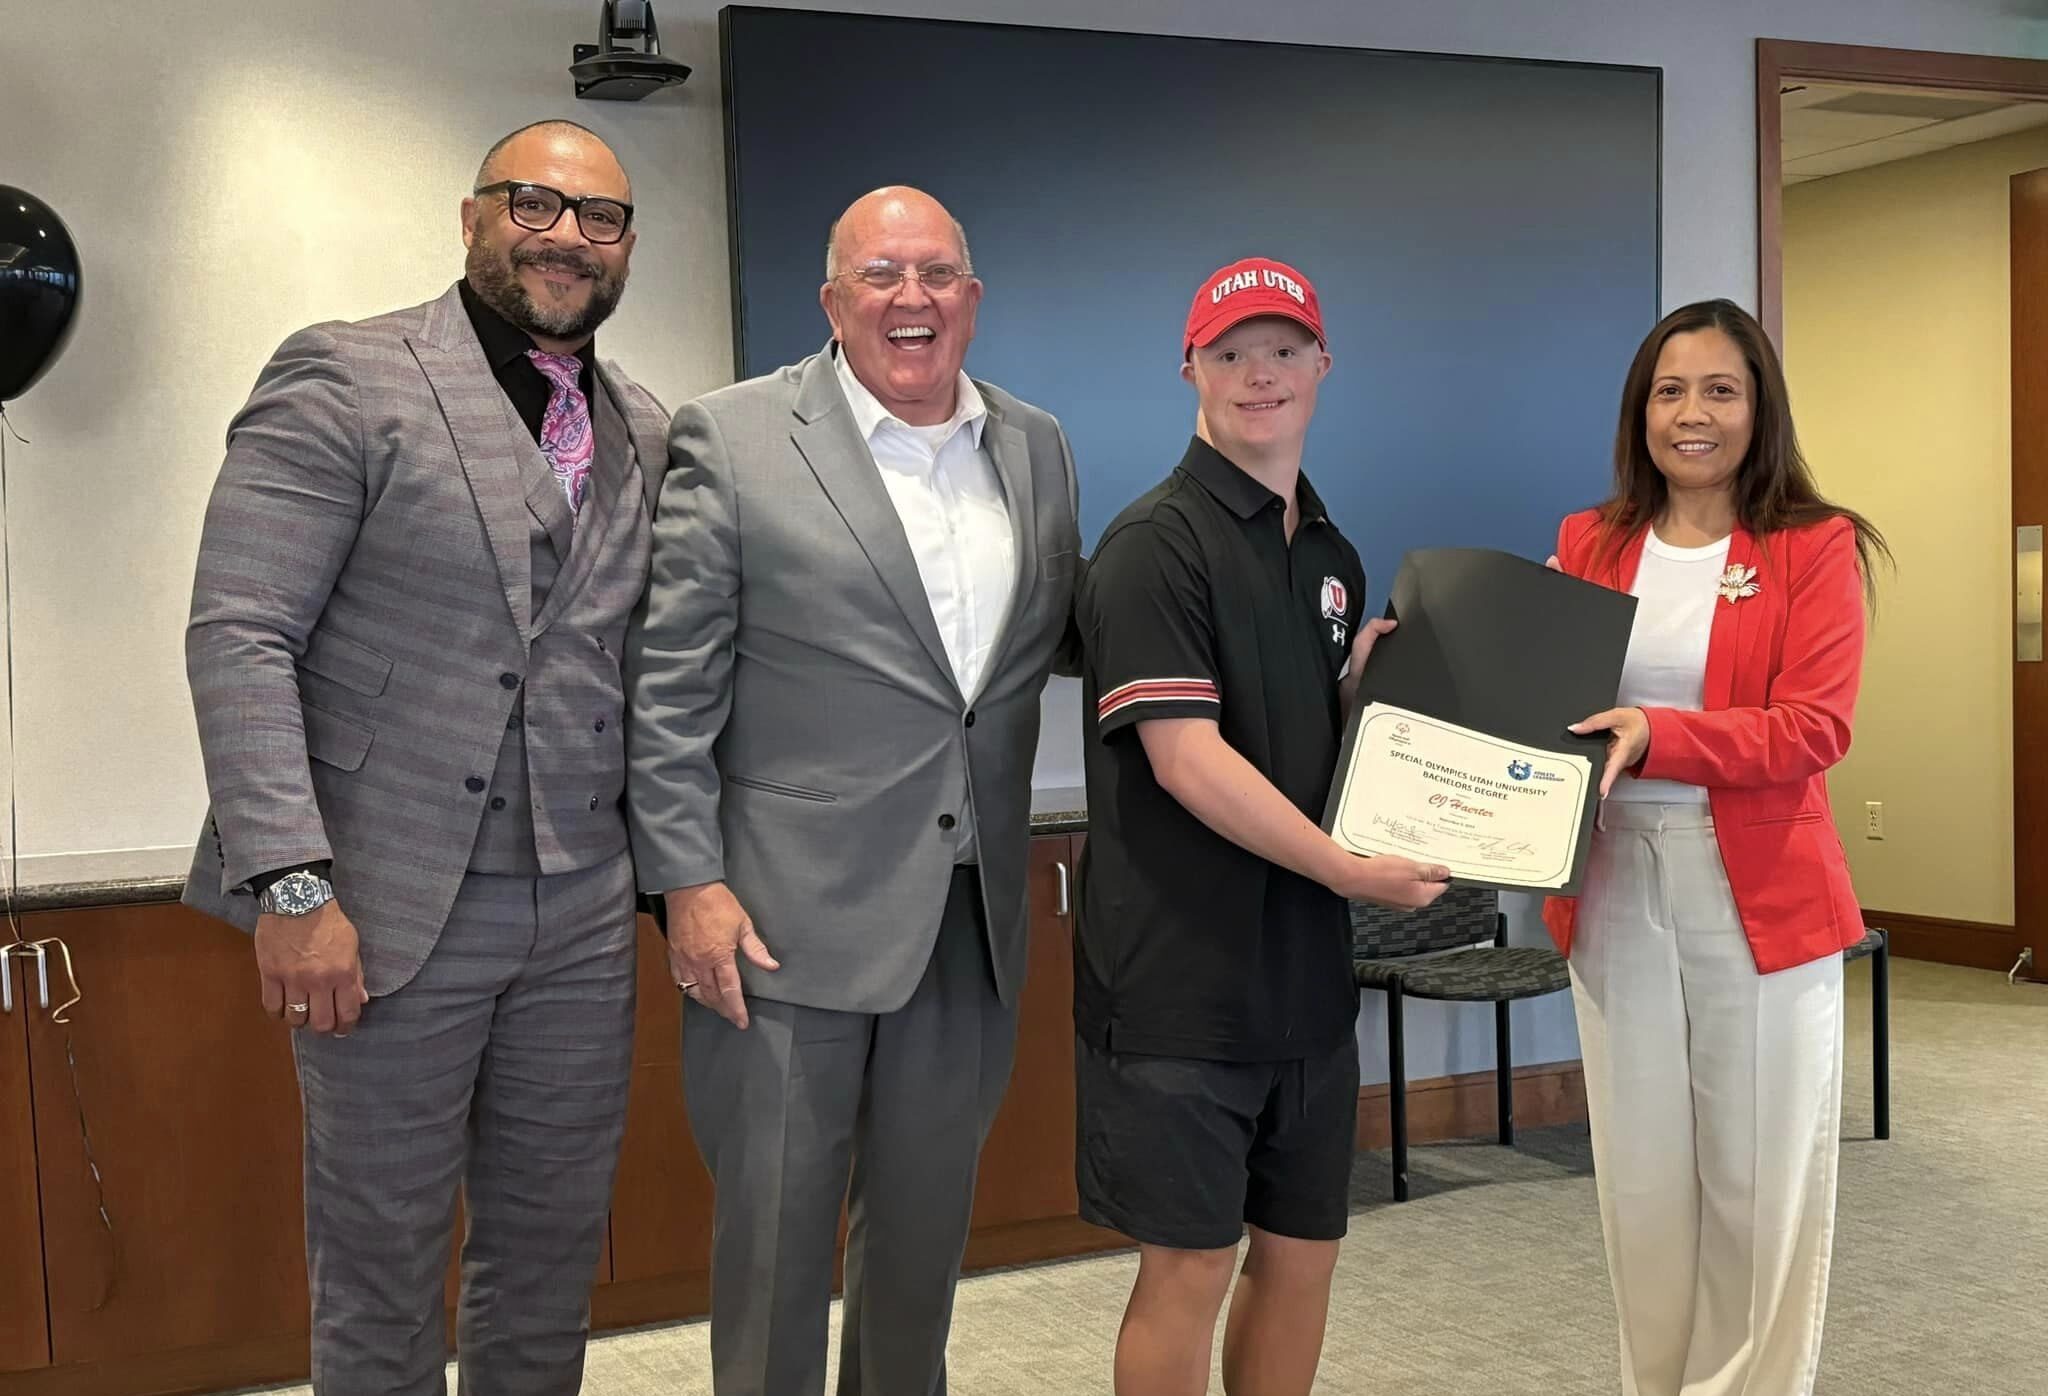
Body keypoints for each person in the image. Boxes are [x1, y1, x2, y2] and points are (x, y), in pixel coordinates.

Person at [182, 120, 666, 1395]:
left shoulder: (648, 430)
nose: (567, 235)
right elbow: (242, 633)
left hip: (579, 913)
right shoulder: (345, 376)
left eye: (600, 217)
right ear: (472, 218)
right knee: (382, 1267)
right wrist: (290, 885)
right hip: (380, 907)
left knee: (551, 1258)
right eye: (536, 204)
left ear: (625, 248)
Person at [623, 185, 1083, 1396]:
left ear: (972, 300)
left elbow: (1040, 645)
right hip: (779, 925)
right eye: (880, 276)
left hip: (966, 916)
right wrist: (685, 883)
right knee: (773, 1254)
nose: (911, 299)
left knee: (922, 1251)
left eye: (936, 274)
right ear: (832, 301)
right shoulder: (730, 435)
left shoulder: (1032, 443)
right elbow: (668, 687)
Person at [1071, 257, 1450, 1396]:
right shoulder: (1153, 546)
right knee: (1188, 1264)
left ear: (1322, 365)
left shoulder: (1329, 555)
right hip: (1181, 984)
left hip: (1302, 979)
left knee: (1301, 1256)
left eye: (1283, 349)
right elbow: (1187, 760)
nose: (1258, 374)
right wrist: (1351, 869)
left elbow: (1290, 741)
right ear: (1188, 367)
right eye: (1230, 351)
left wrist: (1360, 699)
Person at [1546, 298, 1885, 1396]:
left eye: (1719, 390)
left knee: (1755, 1183)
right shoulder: (1586, 541)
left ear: (1758, 407)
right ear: (1639, 410)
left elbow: (1812, 726)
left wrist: (1658, 734)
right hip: (1610, 886)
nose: (1691, 414)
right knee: (1641, 1185)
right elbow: (1542, 696)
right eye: (1668, 390)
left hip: (1758, 895)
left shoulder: (1811, 545)